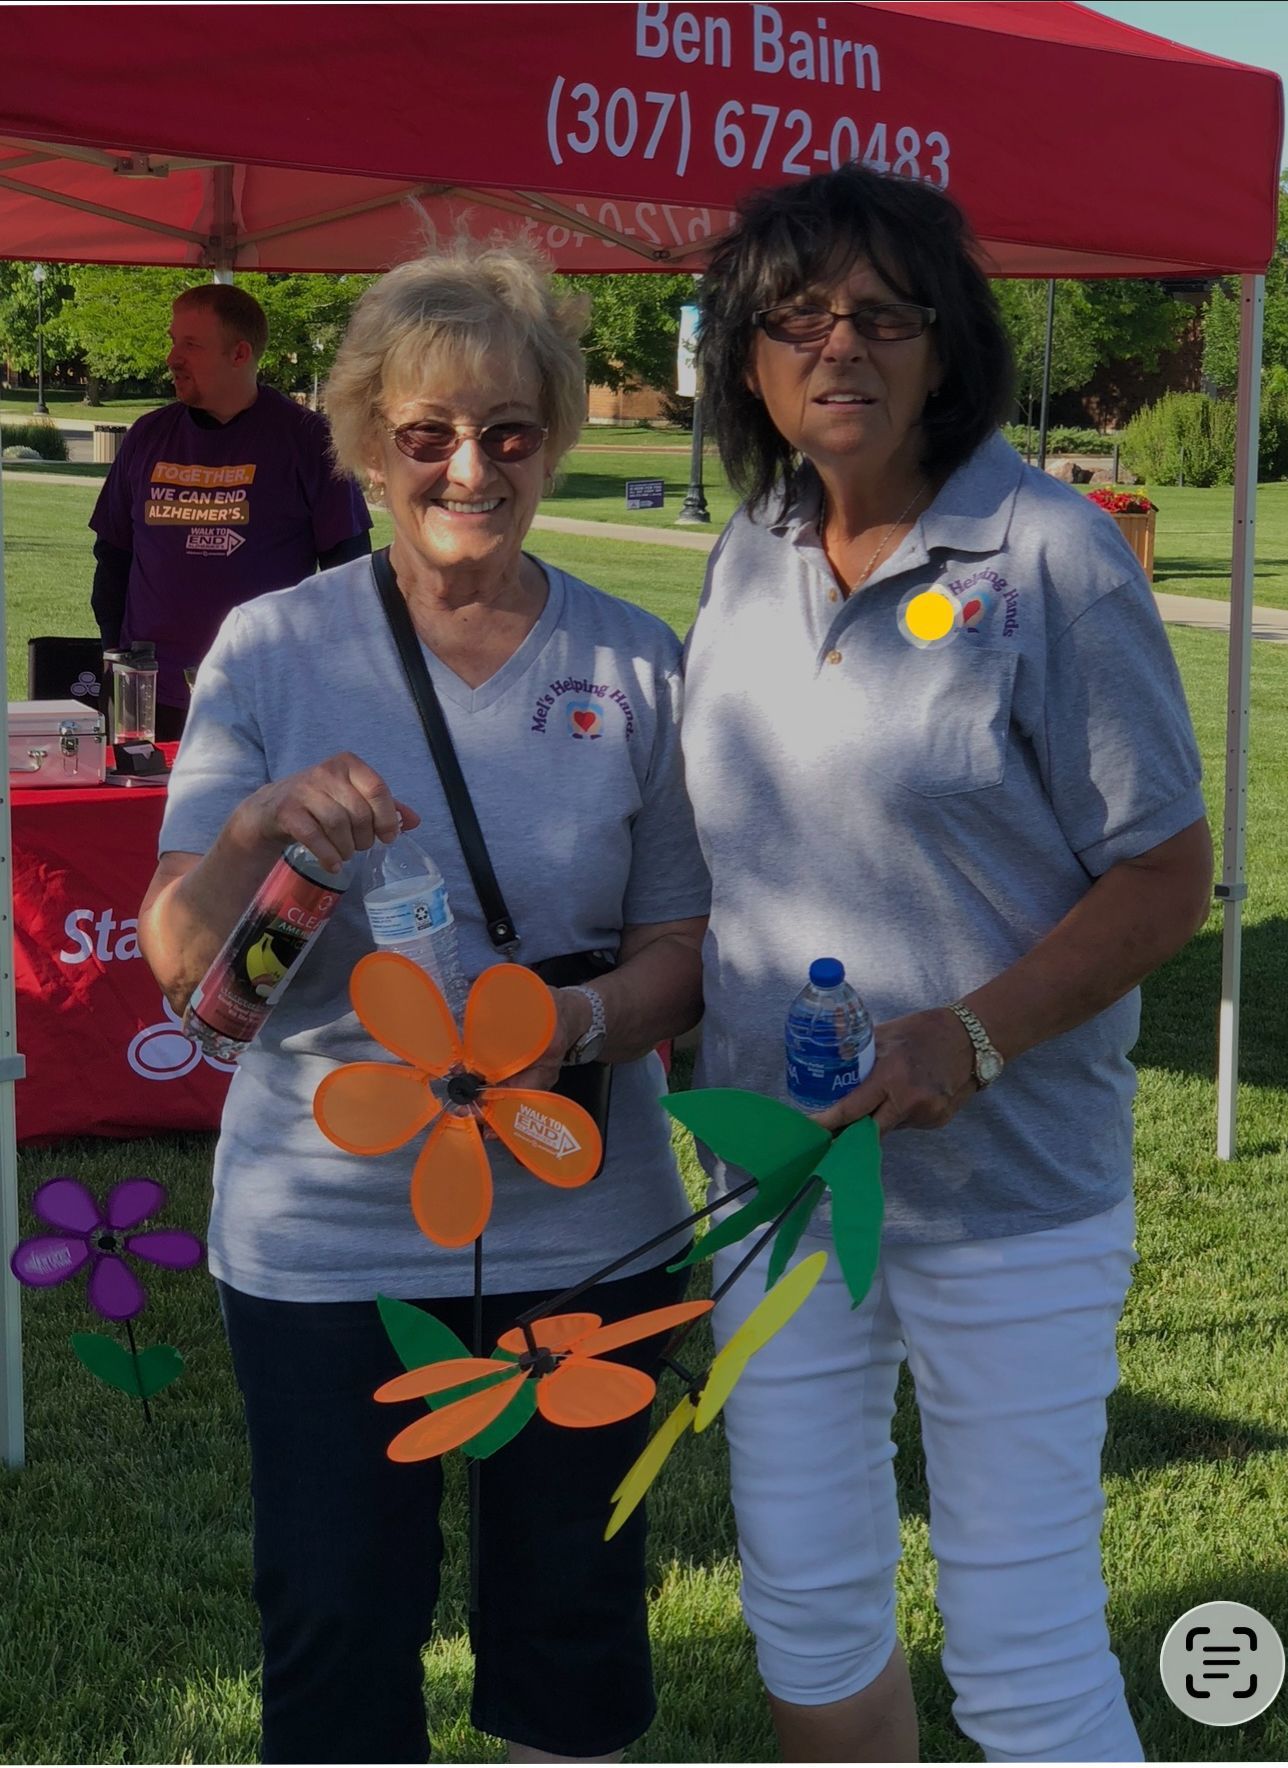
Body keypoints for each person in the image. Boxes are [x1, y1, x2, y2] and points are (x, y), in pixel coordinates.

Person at [137, 242, 710, 1765]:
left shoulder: (635, 663)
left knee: (576, 1616)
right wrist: (259, 826)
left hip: (591, 1223)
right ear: (368, 444)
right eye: (428, 435)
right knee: (336, 1618)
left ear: (555, 439)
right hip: (327, 1232)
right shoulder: (273, 648)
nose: (471, 466)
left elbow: (683, 949)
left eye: (509, 432)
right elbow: (172, 950)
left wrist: (570, 1028)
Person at [681, 165, 1213, 1764]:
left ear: (940, 343)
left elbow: (1167, 872)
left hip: (1009, 1195)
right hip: (779, 1186)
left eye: (879, 312)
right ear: (748, 355)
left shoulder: (1047, 553)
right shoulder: (746, 549)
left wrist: (969, 1038)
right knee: (810, 1606)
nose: (836, 345)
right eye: (794, 315)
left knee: (1022, 1645)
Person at [90, 283, 373, 738]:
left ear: (240, 354)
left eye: (191, 345)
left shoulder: (309, 441)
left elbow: (349, 573)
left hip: (269, 692)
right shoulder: (147, 436)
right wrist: (113, 654)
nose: (172, 358)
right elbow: (112, 558)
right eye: (173, 341)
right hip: (149, 693)